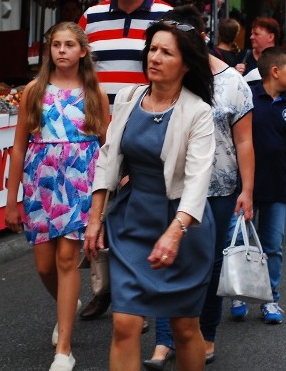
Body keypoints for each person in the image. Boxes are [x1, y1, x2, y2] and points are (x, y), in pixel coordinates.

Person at [84, 19, 215, 371]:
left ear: (186, 64)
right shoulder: (128, 98)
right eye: (152, 49)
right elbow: (108, 160)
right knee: (124, 323)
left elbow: (198, 179)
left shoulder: (198, 113)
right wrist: (94, 220)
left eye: (166, 52)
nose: (154, 57)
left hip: (184, 226)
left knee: (184, 327)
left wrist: (175, 232)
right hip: (133, 219)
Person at [146, 7, 255, 368]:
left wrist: (247, 191)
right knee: (166, 261)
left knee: (208, 268)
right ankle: (164, 341)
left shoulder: (232, 84)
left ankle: (206, 334)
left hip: (219, 190)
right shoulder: (171, 78)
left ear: (201, 36)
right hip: (173, 188)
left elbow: (244, 143)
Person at [4, 22, 109, 371]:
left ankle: (64, 349)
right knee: (44, 265)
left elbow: (106, 146)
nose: (61, 50)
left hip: (81, 180)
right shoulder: (34, 90)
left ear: (82, 51)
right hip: (41, 181)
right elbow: (19, 148)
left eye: (69, 44)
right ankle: (69, 303)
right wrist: (11, 201)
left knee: (67, 259)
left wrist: (107, 193)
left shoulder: (95, 93)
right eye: (55, 45)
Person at [77, 0, 171, 320]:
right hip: (98, 131)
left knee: (141, 217)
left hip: (145, 132)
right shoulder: (92, 17)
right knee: (94, 213)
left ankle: (140, 299)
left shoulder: (166, 16)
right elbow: (78, 71)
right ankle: (103, 290)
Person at [229, 46, 286, 325]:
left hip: (278, 186)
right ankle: (238, 293)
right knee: (239, 242)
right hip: (242, 187)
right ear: (275, 71)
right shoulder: (247, 97)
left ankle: (269, 299)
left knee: (272, 245)